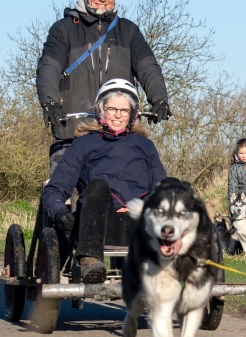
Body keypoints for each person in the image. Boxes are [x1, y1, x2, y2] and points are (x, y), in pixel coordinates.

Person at [36, 0, 172, 177]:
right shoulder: (63, 30)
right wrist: (50, 103)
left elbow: (148, 66)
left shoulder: (128, 31)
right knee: (61, 197)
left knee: (127, 194)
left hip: (118, 134)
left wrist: (160, 99)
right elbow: (49, 67)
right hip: (73, 130)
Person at [42, 78, 167, 284]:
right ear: (101, 110)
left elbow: (162, 186)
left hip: (141, 221)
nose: (118, 115)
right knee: (99, 185)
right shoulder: (83, 144)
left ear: (132, 114)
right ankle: (90, 261)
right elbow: (55, 189)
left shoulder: (145, 145)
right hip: (97, 220)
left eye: (124, 110)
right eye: (112, 109)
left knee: (173, 188)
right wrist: (59, 212)